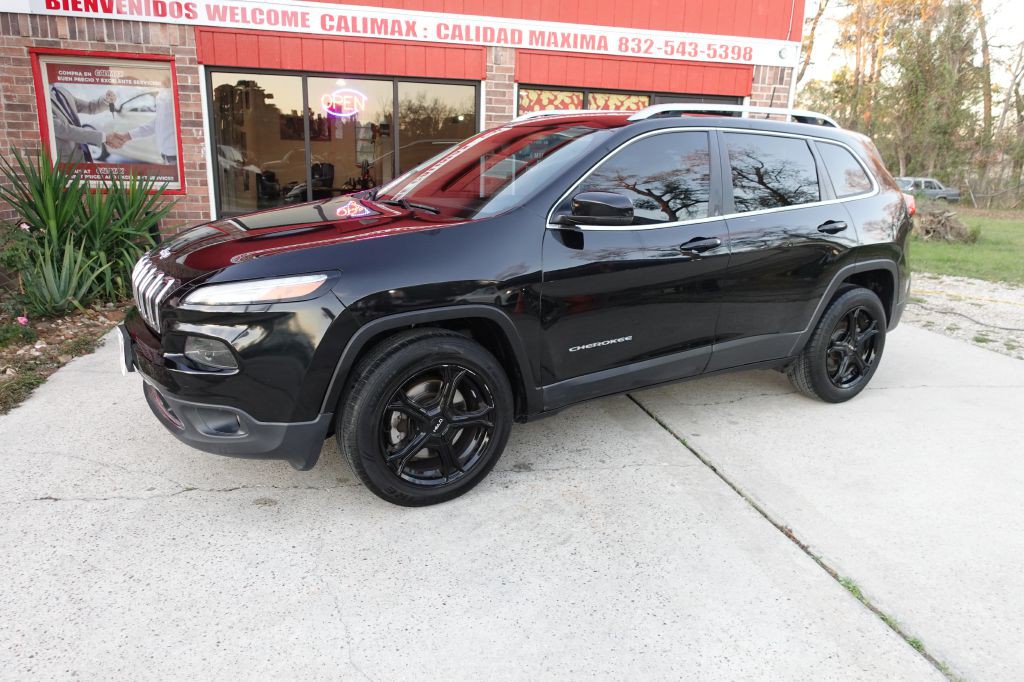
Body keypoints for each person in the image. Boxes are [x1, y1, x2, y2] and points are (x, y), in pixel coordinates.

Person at [108, 75, 177, 167]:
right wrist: (127, 136)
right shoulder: (165, 96)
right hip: (167, 155)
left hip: (175, 156)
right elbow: (158, 122)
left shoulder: (172, 97)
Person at [49, 85, 122, 163]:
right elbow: (65, 130)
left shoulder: (60, 90)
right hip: (65, 159)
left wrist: (106, 101)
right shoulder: (41, 97)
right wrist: (104, 137)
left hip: (81, 154)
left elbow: (89, 107)